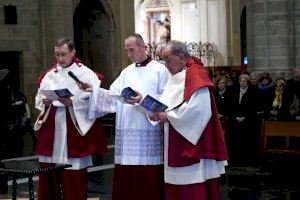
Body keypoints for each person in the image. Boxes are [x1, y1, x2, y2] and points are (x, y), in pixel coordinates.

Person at [81, 33, 168, 200]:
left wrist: (141, 100)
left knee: (147, 182)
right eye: (126, 51)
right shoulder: (126, 72)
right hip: (127, 133)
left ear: (143, 47)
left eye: (132, 50)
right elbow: (113, 97)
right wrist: (94, 91)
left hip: (147, 133)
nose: (129, 54)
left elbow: (165, 101)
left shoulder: (159, 70)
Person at [150, 40, 228, 200]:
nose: (166, 65)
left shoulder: (195, 74)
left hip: (190, 143)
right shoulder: (176, 75)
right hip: (174, 138)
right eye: (163, 60)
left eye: (168, 60)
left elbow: (199, 110)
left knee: (191, 191)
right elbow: (171, 102)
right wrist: (157, 112)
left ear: (180, 56)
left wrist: (169, 116)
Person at [34, 38, 107, 200]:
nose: (60, 59)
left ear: (73, 53)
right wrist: (44, 102)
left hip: (73, 126)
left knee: (73, 176)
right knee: (48, 174)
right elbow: (39, 98)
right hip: (52, 127)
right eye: (57, 54)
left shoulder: (85, 73)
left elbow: (96, 100)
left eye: (63, 54)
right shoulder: (49, 75)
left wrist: (73, 102)